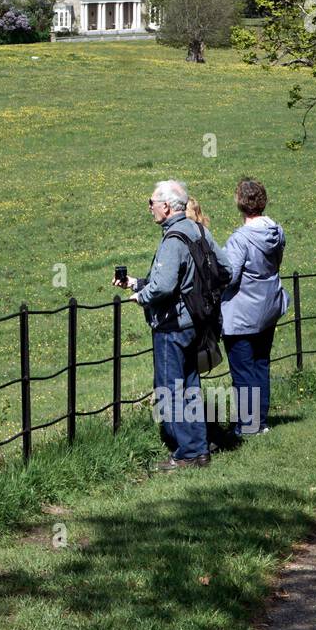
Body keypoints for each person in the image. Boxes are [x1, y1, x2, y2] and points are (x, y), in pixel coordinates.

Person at [114, 179, 230, 471]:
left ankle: (187, 453)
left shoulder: (173, 238)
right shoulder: (198, 230)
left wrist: (143, 296)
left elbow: (164, 286)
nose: (149, 208)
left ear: (166, 207)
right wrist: (137, 282)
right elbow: (226, 267)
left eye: (151, 203)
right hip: (197, 322)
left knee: (169, 388)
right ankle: (199, 449)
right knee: (189, 384)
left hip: (172, 324)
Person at [221, 178, 289, 436]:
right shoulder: (276, 231)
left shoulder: (241, 239)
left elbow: (230, 275)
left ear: (239, 203)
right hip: (268, 305)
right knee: (261, 363)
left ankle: (247, 426)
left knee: (243, 369)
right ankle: (260, 422)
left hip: (242, 311)